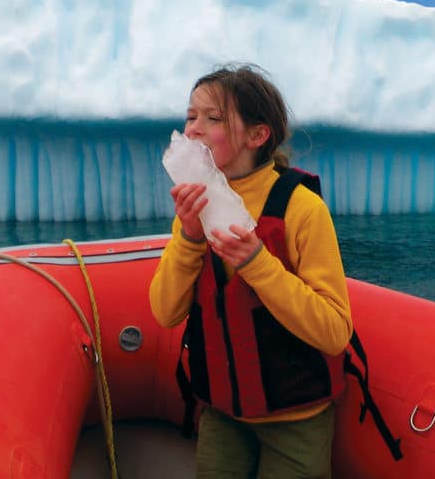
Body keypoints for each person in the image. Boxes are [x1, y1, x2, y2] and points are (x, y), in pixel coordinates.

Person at [149, 64, 352, 478]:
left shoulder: (302, 208)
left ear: (258, 136)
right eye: (191, 117)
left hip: (296, 418)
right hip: (222, 413)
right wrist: (189, 237)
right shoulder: (196, 208)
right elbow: (165, 312)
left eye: (213, 118)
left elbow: (334, 332)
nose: (193, 130)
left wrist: (257, 263)